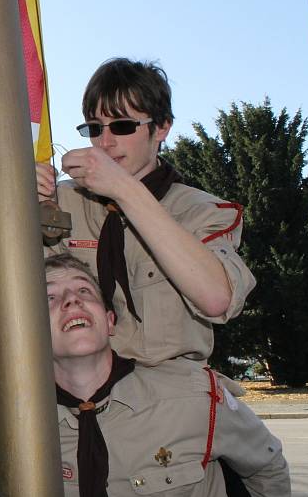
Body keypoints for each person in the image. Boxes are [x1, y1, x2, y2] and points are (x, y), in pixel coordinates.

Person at [37, 57, 255, 366]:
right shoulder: (63, 201)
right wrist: (17, 204)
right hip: (77, 382)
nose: (106, 142)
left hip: (168, 389)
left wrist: (124, 190)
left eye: (122, 125)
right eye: (95, 128)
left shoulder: (201, 211)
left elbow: (217, 300)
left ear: (162, 127)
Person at [45, 253, 290, 497]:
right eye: (49, 297)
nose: (72, 299)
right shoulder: (14, 430)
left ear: (110, 321)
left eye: (84, 289)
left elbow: (266, 466)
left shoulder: (192, 394)